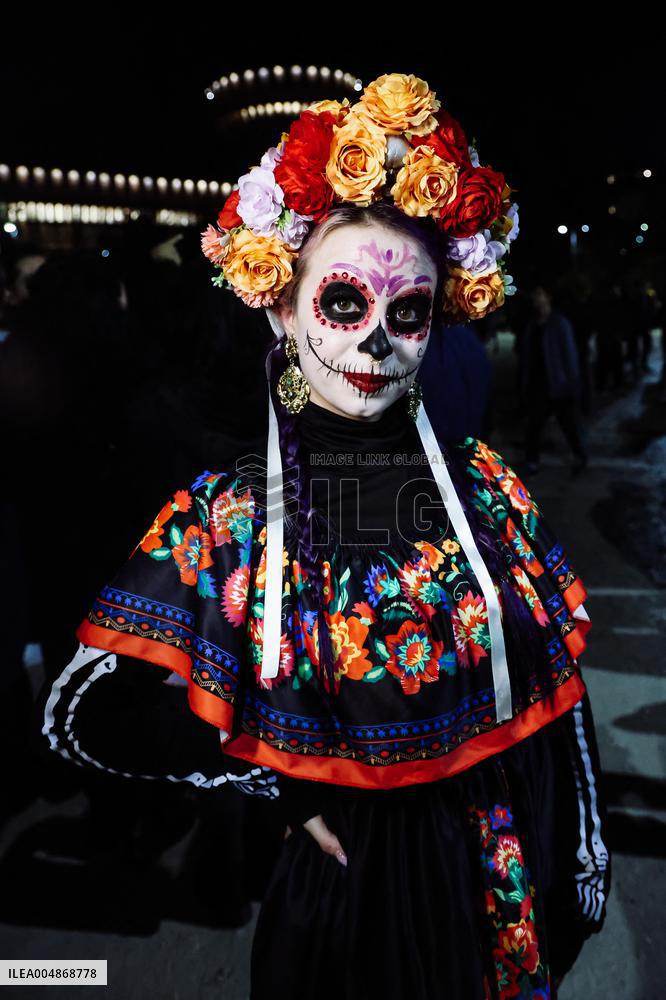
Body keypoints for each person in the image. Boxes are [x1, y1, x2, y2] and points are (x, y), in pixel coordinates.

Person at [37, 72, 610, 999]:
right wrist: (279, 788)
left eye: (409, 311)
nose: (378, 340)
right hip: (347, 900)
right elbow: (81, 716)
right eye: (345, 302)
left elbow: (564, 697)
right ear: (280, 305)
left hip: (497, 879)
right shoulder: (233, 515)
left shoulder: (485, 487)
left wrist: (580, 861)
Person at [520, 284, 588, 476]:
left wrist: (572, 383)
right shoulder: (532, 325)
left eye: (540, 294)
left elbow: (570, 355)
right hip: (538, 384)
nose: (536, 299)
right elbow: (527, 357)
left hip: (558, 384)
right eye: (534, 295)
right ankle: (532, 460)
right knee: (534, 425)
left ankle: (580, 455)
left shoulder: (559, 323)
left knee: (568, 424)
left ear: (548, 297)